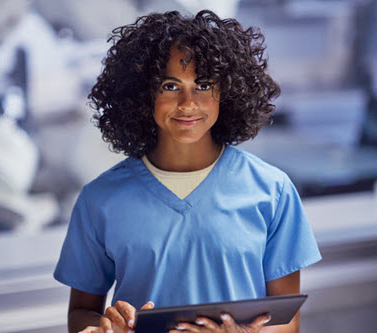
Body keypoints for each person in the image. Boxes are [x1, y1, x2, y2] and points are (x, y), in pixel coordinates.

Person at [54, 9, 321, 333]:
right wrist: (107, 328)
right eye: (170, 86)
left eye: (204, 85)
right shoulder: (100, 200)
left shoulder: (272, 191)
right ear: (143, 93)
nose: (187, 103)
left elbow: (288, 321)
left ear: (226, 91)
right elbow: (81, 313)